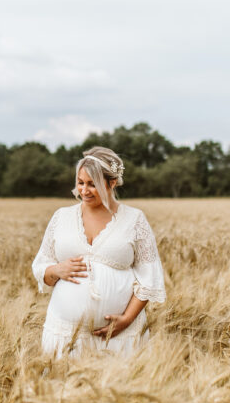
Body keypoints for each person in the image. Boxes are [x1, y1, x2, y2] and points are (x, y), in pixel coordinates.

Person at [31, 146, 166, 357]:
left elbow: (149, 278)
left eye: (92, 184)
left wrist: (127, 320)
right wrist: (56, 270)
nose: (84, 191)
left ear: (112, 183)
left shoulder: (134, 219)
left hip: (120, 336)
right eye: (80, 182)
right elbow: (42, 268)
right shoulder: (61, 217)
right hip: (65, 334)